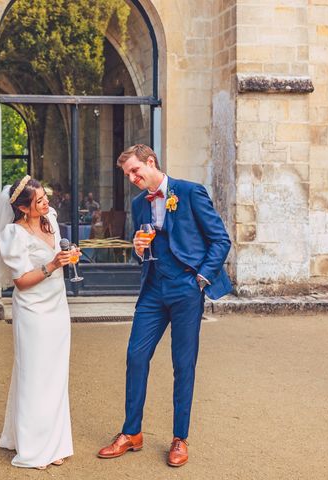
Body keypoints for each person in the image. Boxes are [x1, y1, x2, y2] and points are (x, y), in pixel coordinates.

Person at [97, 144, 232, 468]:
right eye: (128, 174)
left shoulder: (189, 192)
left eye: (134, 171)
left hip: (186, 289)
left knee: (182, 364)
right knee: (135, 355)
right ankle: (132, 433)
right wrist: (138, 249)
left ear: (151, 161)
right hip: (153, 290)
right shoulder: (137, 203)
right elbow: (142, 247)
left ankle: (179, 439)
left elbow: (220, 240)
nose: (131, 178)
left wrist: (200, 279)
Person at [0, 175, 75, 469]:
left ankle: (55, 443)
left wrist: (70, 258)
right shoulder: (13, 234)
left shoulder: (51, 219)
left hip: (58, 306)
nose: (47, 203)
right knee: (34, 376)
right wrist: (53, 264)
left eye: (45, 197)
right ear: (22, 209)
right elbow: (21, 282)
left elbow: (59, 255)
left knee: (56, 375)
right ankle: (33, 448)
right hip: (33, 311)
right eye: (39, 201)